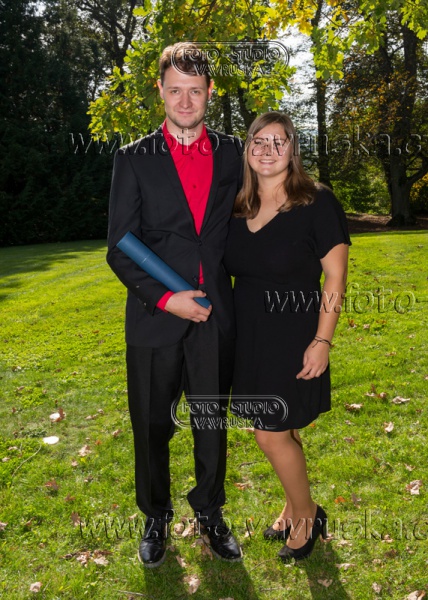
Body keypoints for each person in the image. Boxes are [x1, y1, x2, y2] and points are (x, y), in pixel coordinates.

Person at [107, 42, 243, 567]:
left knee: (211, 423)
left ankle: (209, 511)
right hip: (154, 317)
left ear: (210, 93)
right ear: (160, 91)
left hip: (215, 315)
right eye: (175, 90)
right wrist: (167, 298)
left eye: (195, 91)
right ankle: (154, 517)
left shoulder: (233, 153)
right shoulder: (133, 158)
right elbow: (119, 246)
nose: (185, 101)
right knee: (151, 425)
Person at [223, 111, 351, 562]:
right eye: (259, 141)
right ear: (247, 149)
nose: (268, 150)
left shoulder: (316, 200)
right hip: (250, 335)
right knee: (285, 429)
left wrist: (322, 341)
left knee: (270, 434)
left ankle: (307, 516)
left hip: (294, 334)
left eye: (279, 142)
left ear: (293, 150)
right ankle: (293, 506)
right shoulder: (237, 204)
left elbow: (335, 277)